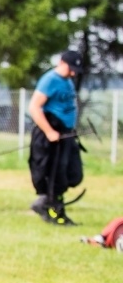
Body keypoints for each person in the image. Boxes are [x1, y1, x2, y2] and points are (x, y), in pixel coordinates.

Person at [28, 50, 84, 226]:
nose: (73, 73)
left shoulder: (68, 81)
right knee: (55, 177)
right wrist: (50, 131)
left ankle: (44, 203)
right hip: (51, 135)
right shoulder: (49, 80)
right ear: (61, 62)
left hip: (66, 134)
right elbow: (34, 107)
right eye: (71, 68)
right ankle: (55, 212)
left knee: (72, 174)